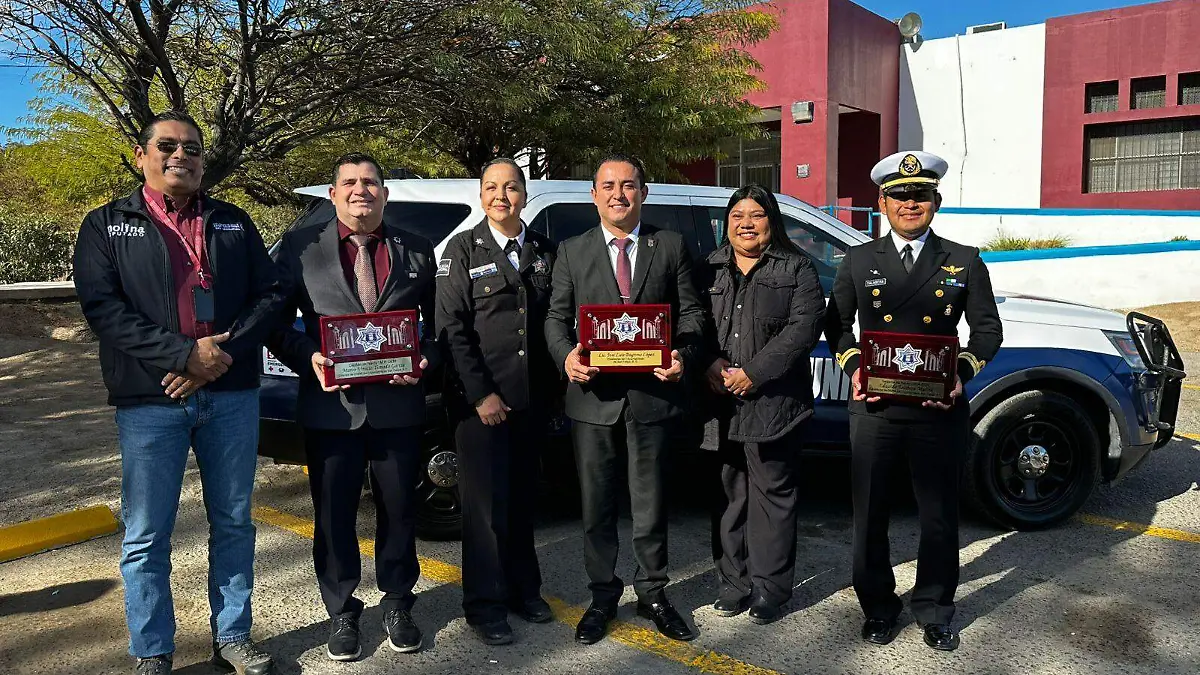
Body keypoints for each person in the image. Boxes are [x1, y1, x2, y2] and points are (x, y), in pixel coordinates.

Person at [72, 110, 280, 675]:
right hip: (150, 400)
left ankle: (232, 636)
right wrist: (182, 356)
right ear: (142, 156)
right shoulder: (105, 225)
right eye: (166, 146)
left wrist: (216, 359)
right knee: (146, 533)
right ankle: (152, 651)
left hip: (231, 395)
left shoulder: (233, 222)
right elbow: (103, 309)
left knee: (233, 521)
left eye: (191, 148)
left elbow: (269, 296)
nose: (180, 156)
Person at [823, 151, 1003, 652]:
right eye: (899, 195)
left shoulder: (964, 260)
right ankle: (878, 608)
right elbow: (836, 326)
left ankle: (935, 609)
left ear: (935, 202)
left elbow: (987, 331)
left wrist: (960, 373)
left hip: (937, 410)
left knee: (939, 516)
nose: (910, 203)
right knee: (870, 515)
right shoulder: (859, 260)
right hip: (876, 409)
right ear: (882, 203)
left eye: (920, 195)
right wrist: (855, 367)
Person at [267, 153, 440, 662]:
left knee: (400, 511)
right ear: (333, 193)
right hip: (331, 407)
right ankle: (342, 609)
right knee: (333, 515)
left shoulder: (416, 247)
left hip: (398, 405)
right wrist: (309, 357)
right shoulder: (300, 248)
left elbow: (440, 324)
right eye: (349, 182)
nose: (360, 189)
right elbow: (275, 324)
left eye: (370, 182)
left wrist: (425, 360)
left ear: (385, 192)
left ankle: (398, 601)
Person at [545, 154, 706, 645]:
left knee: (650, 505)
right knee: (596, 507)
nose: (619, 194)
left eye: (629, 185)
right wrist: (565, 358)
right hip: (593, 399)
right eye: (609, 185)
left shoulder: (670, 245)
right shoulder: (572, 250)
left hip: (652, 396)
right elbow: (555, 318)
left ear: (644, 192)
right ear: (594, 194)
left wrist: (682, 354)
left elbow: (692, 313)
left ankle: (653, 593)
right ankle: (602, 596)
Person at [434, 158, 557, 645]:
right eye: (491, 187)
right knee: (483, 511)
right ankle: (484, 605)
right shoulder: (462, 249)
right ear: (481, 195)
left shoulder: (545, 250)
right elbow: (452, 329)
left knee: (523, 501)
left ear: (524, 194)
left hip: (530, 401)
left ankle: (524, 590)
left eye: (511, 187)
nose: (501, 196)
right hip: (480, 404)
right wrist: (481, 394)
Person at [696, 184, 825, 625]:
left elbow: (803, 329)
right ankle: (733, 584)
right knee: (728, 495)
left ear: (772, 220)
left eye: (756, 215)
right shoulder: (708, 268)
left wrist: (753, 373)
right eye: (737, 216)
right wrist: (709, 363)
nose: (746, 224)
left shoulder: (797, 268)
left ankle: (770, 589)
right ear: (726, 223)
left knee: (773, 498)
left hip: (774, 403)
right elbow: (691, 322)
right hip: (719, 402)